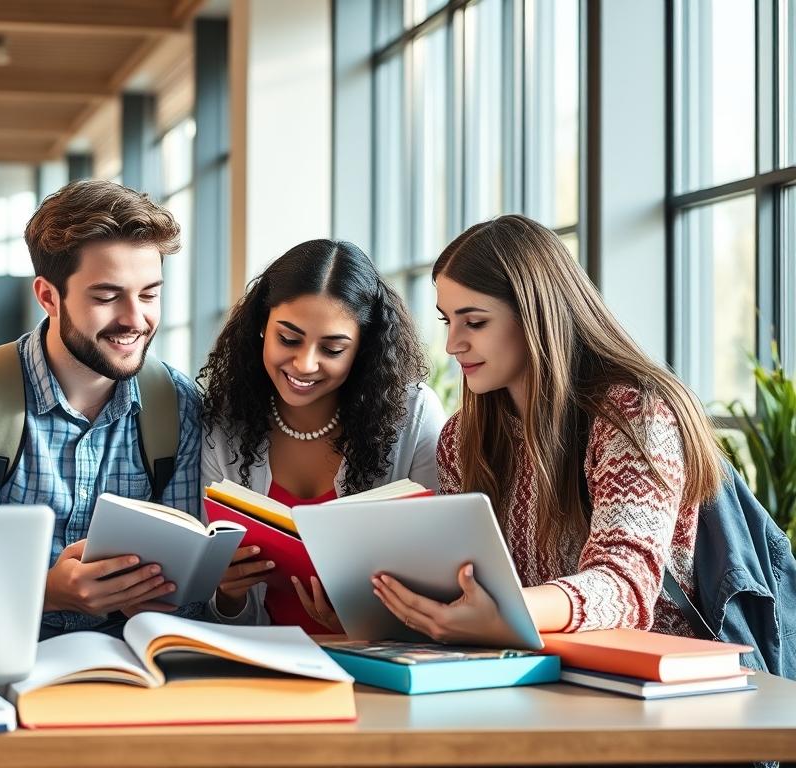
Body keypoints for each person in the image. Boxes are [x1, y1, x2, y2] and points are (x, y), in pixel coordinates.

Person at [375, 214, 723, 645]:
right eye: (448, 321)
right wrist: (382, 601)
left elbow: (626, 586)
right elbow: (465, 581)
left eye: (475, 322)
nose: (452, 345)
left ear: (536, 314)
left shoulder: (633, 413)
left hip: (645, 688)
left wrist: (508, 612)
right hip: (532, 673)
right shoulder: (461, 438)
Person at [0, 179, 203, 639]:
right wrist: (47, 592)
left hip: (131, 663)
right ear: (49, 297)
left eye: (149, 294)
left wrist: (164, 599)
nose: (135, 319)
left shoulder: (177, 405)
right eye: (107, 296)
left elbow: (186, 596)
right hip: (1, 653)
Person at [199, 239, 445, 628]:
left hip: (377, 664)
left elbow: (441, 571)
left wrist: (362, 619)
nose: (305, 363)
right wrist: (227, 592)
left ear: (363, 348)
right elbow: (214, 610)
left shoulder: (412, 415)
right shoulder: (226, 424)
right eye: (289, 339)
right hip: (260, 665)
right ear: (262, 325)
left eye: (332, 349)